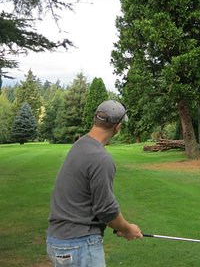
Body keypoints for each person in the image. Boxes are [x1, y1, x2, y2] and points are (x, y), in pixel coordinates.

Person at [46, 100, 142, 267]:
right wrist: (128, 229)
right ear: (117, 127)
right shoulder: (101, 158)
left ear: (95, 119)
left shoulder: (79, 145)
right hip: (79, 245)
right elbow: (106, 210)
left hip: (58, 241)